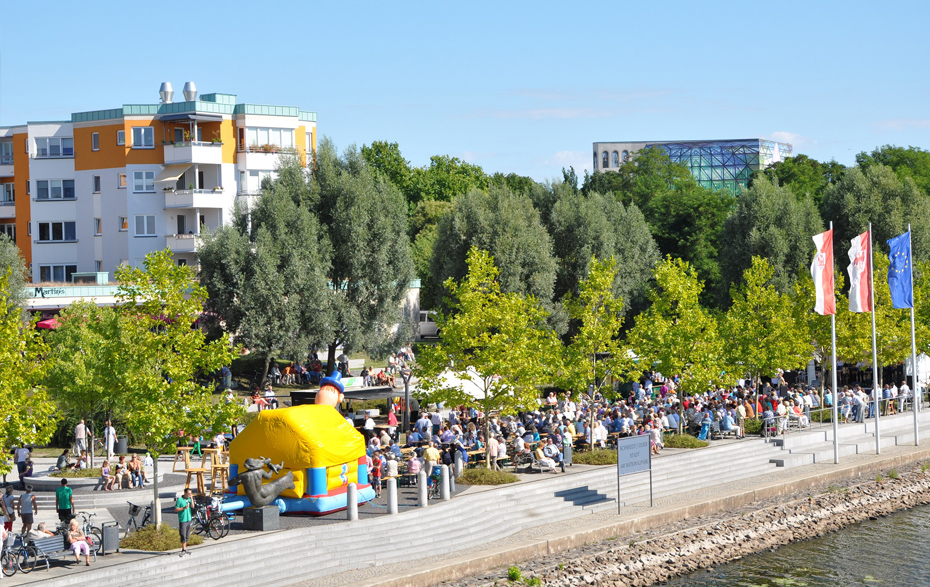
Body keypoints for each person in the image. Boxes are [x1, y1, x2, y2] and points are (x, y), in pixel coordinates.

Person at [175, 487, 194, 556]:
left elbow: (193, 506)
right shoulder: (180, 500)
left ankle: (185, 548)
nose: (190, 494)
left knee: (187, 534)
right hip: (183, 520)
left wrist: (191, 498)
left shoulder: (189, 499)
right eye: (189, 493)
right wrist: (184, 508)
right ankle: (183, 548)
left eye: (190, 493)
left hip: (188, 519)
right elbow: (176, 509)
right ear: (185, 493)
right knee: (183, 534)